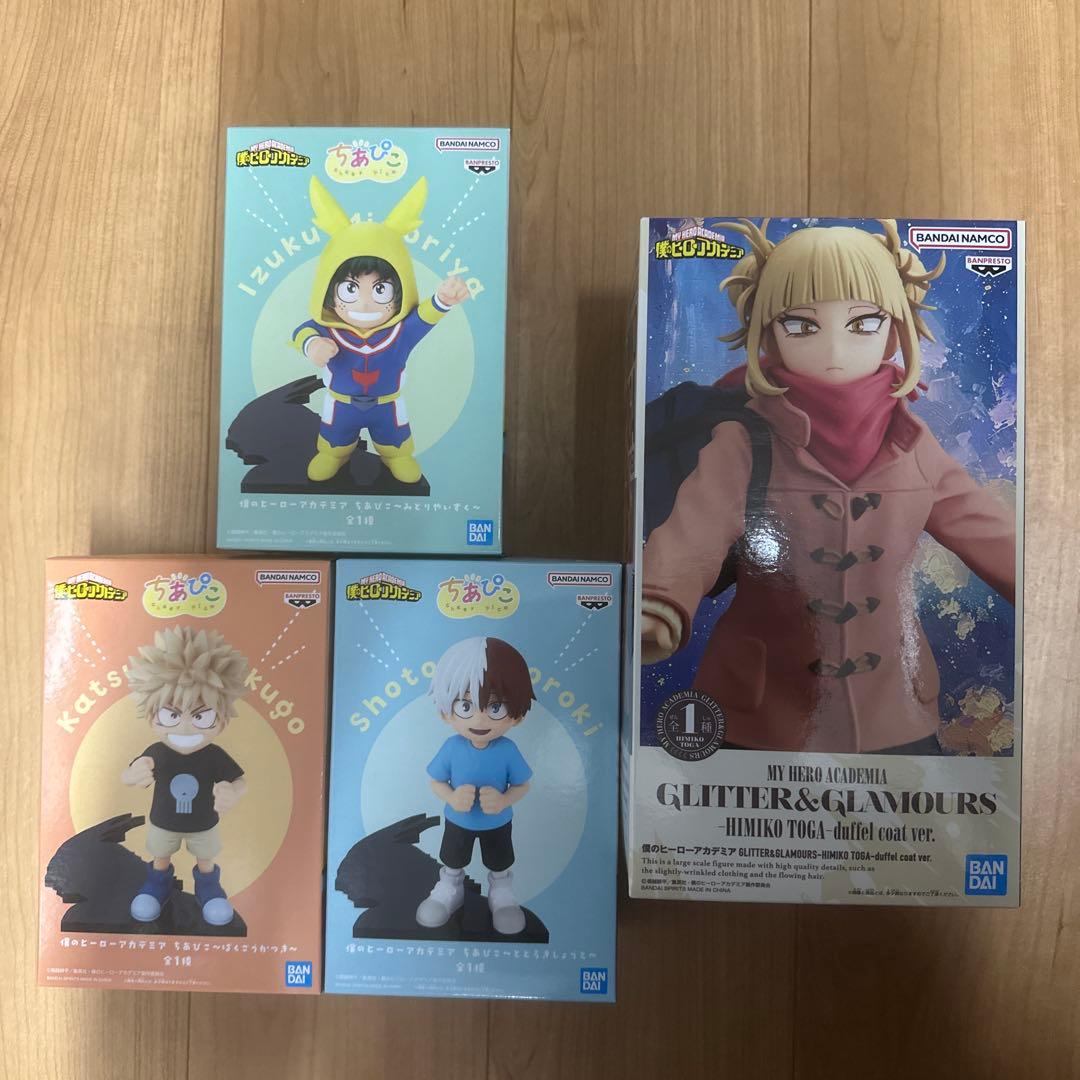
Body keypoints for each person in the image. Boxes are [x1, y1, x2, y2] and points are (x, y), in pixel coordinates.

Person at [641, 219, 1016, 754]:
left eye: (863, 323)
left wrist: (1048, 591)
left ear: (894, 332)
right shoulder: (745, 438)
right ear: (769, 334)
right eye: (801, 325)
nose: (834, 347)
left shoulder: (913, 443)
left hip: (894, 711)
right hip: (763, 713)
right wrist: (660, 602)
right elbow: (694, 530)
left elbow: (987, 529)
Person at [295, 176, 470, 484]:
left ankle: (397, 456)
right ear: (328, 290)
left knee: (396, 441)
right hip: (341, 405)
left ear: (400, 289)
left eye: (380, 289)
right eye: (350, 289)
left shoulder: (400, 333)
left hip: (387, 406)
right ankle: (333, 454)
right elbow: (303, 331)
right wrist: (313, 346)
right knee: (334, 440)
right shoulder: (329, 329)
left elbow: (425, 316)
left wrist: (443, 299)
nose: (364, 303)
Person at [122, 627, 249, 925]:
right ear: (151, 714)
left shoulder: (214, 755)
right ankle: (157, 884)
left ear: (222, 718)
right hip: (163, 823)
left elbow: (240, 780)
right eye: (172, 715)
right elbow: (129, 774)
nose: (186, 726)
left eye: (202, 716)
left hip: (204, 825)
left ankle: (209, 888)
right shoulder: (158, 751)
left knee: (206, 860)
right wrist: (133, 774)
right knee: (160, 857)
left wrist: (233, 792)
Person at [417, 637, 535, 934]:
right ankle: (450, 887)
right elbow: (435, 780)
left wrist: (504, 800)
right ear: (445, 711)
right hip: (459, 820)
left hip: (498, 822)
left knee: (500, 860)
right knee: (453, 858)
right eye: (466, 705)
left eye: (495, 706)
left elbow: (523, 785)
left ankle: (502, 894)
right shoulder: (451, 747)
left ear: (518, 714)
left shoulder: (508, 750)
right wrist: (452, 797)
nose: (480, 718)